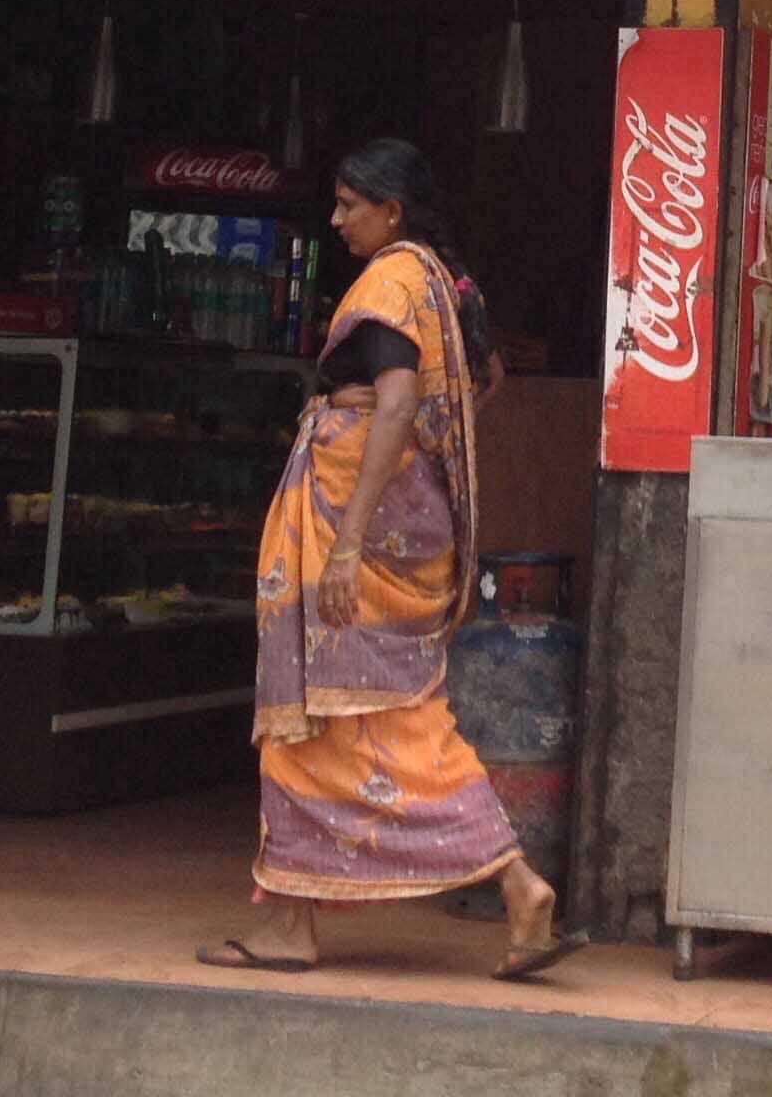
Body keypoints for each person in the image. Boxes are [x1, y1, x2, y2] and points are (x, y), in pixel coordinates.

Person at [201, 139, 583, 980]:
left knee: (307, 715)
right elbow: (482, 383)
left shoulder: (391, 285)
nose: (336, 221)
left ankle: (298, 929)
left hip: (358, 531)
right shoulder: (446, 287)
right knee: (394, 720)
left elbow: (403, 402)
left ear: (392, 211)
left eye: (348, 206)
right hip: (414, 536)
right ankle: (517, 889)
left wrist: (345, 539)